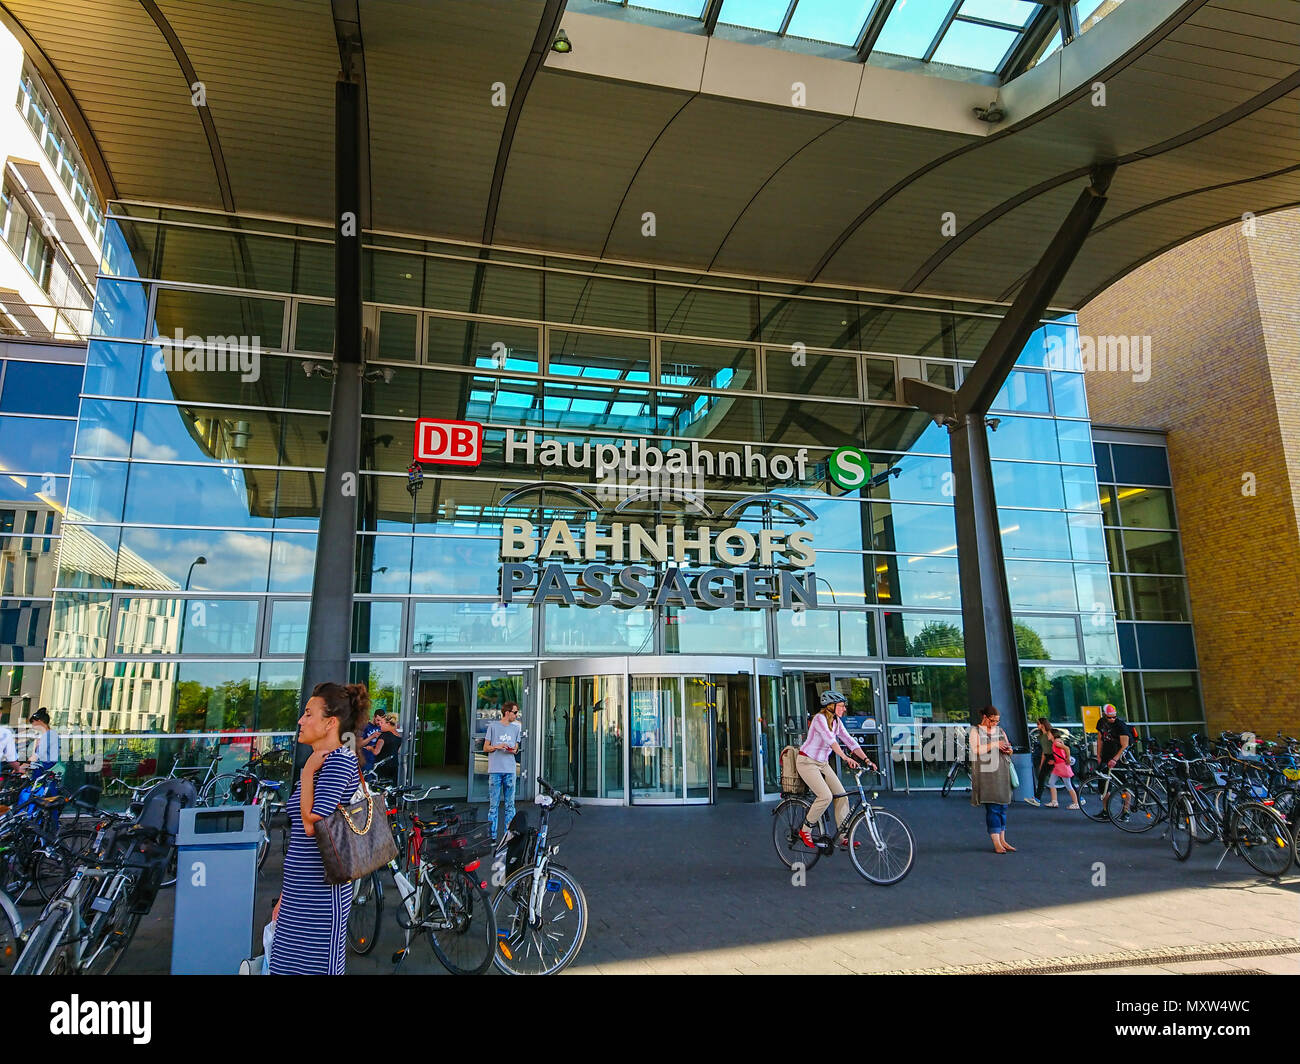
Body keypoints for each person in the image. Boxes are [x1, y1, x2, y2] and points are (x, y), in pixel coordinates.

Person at [268, 682, 367, 976]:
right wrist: (285, 898)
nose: (301, 720)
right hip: (299, 891)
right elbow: (300, 838)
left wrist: (307, 771)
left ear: (330, 723)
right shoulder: (320, 762)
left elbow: (313, 824)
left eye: (309, 714)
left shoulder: (338, 761)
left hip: (322, 896)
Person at [795, 690, 877, 851]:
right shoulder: (819, 719)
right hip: (807, 762)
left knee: (842, 796)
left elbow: (849, 740)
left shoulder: (837, 722)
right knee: (825, 796)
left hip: (822, 763)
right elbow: (832, 742)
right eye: (841, 706)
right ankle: (805, 830)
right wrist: (846, 758)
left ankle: (842, 837)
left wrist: (866, 759)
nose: (844, 709)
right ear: (830, 706)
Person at [970, 705, 1015, 854]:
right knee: (993, 807)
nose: (995, 723)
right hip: (986, 774)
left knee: (1003, 807)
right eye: (993, 720)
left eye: (997, 721)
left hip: (1002, 772)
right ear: (985, 717)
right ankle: (996, 842)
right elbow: (976, 750)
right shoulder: (975, 731)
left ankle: (1002, 840)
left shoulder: (1000, 730)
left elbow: (1010, 749)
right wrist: (995, 744)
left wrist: (1009, 750)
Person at [484, 702, 521, 842]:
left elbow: (516, 748)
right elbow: (486, 747)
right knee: (493, 805)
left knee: (510, 805)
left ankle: (509, 835)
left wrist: (511, 749)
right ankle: (492, 836)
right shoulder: (493, 727)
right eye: (515, 712)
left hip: (510, 769)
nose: (516, 715)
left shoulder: (516, 728)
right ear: (507, 712)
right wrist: (497, 746)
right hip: (495, 770)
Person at [1044, 729, 1079, 809]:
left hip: (1062, 767)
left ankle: (1076, 803)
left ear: (1053, 735)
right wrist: (1055, 761)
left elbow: (1067, 749)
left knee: (1068, 785)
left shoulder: (1056, 742)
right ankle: (1054, 801)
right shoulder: (1057, 741)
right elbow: (1061, 753)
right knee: (1051, 782)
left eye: (1049, 734)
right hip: (1058, 766)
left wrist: (1067, 759)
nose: (1047, 735)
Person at [1025, 716, 1054, 807]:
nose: (1037, 725)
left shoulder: (1050, 733)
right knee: (1042, 777)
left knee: (1064, 778)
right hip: (1047, 757)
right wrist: (1042, 763)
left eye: (1038, 724)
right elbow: (1044, 752)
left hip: (1054, 757)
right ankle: (1037, 799)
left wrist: (1055, 759)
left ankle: (1079, 798)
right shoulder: (1041, 736)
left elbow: (1057, 746)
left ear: (1042, 724)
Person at [372, 713, 403, 783]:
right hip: (394, 765)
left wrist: (370, 748)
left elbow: (376, 752)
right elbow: (398, 751)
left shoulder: (383, 736)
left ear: (388, 724)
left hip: (382, 766)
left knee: (380, 789)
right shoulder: (398, 735)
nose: (379, 724)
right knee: (391, 788)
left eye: (382, 722)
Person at [27, 708, 59, 775]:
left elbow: (39, 755)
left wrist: (26, 763)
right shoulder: (42, 736)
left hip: (45, 769)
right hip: (40, 767)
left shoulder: (50, 735)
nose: (32, 726)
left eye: (33, 723)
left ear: (40, 721)